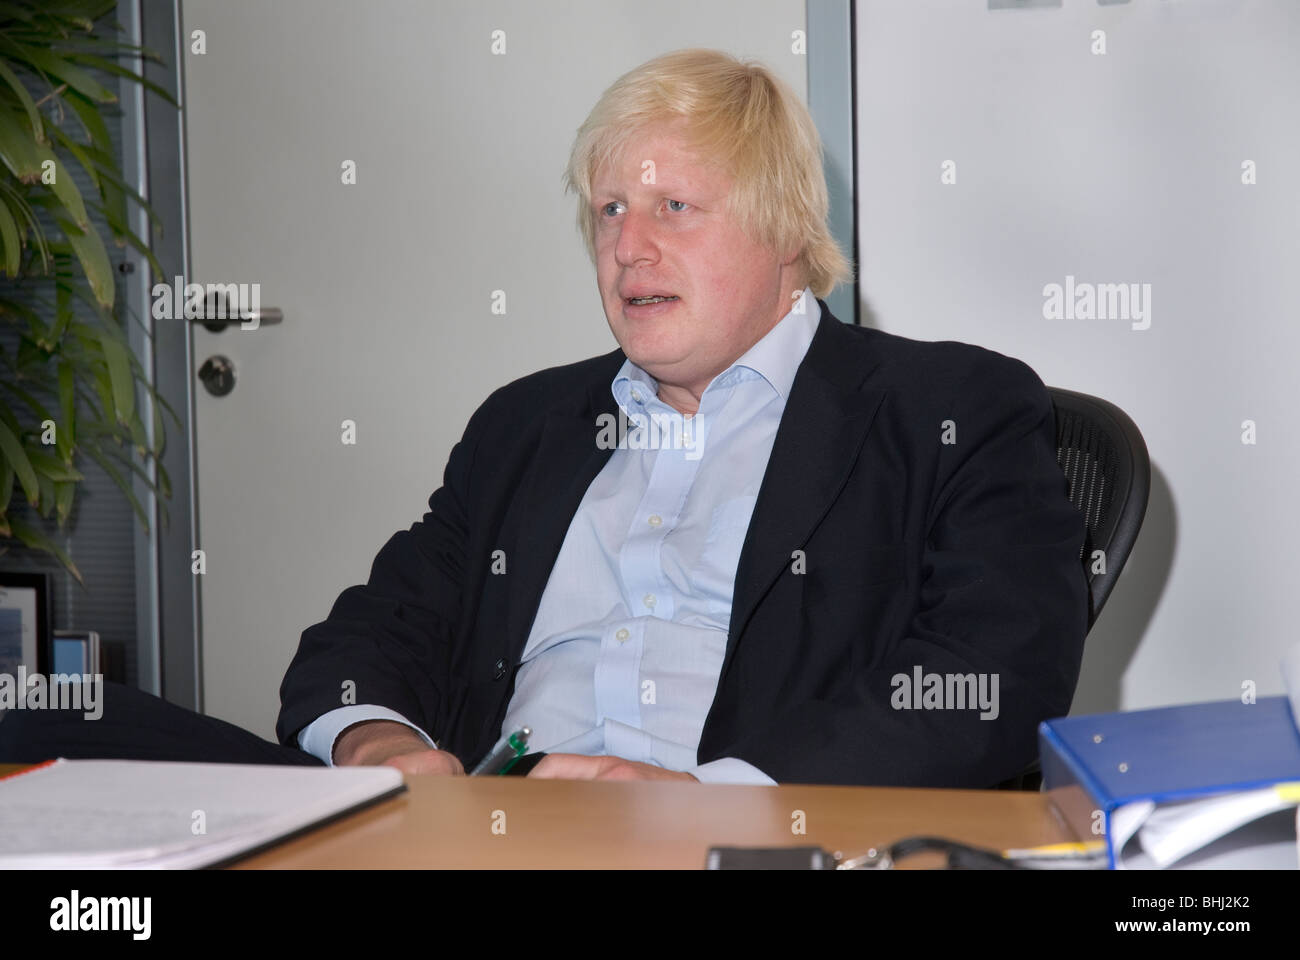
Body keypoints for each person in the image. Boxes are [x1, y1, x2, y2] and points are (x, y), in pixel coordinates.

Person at [0, 49, 1088, 788]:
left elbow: (995, 676)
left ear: (787, 233)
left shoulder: (948, 409)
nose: (627, 245)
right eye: (610, 208)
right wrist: (380, 742)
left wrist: (711, 797)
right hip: (472, 826)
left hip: (736, 839)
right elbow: (377, 628)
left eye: (673, 207)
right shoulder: (530, 424)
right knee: (50, 714)